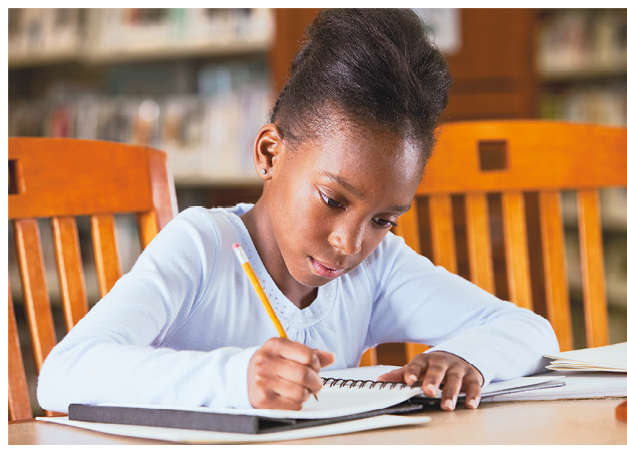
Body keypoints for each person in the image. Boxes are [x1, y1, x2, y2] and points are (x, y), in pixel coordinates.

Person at [37, 9, 559, 414]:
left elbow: (531, 331)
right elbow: (64, 373)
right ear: (269, 153)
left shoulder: (375, 271)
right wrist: (236, 379)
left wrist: (467, 360)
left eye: (383, 219)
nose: (350, 244)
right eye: (333, 200)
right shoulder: (202, 246)